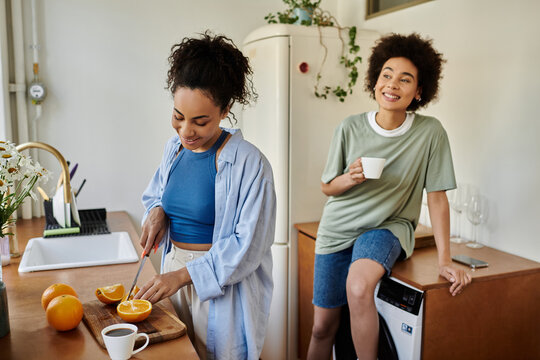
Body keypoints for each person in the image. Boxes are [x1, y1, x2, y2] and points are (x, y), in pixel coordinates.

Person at [307, 33, 472, 360]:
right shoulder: (350, 127)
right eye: (386, 75)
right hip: (338, 229)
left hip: (387, 227)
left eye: (405, 79)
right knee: (322, 328)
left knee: (358, 287)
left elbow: (437, 198)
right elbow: (328, 187)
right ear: (375, 81)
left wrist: (445, 259)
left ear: (419, 91)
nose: (392, 84)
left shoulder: (430, 132)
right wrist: (349, 178)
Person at [134, 31, 276, 360]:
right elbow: (157, 196)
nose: (186, 132)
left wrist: (185, 276)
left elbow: (248, 246)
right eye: (178, 117)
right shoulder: (174, 150)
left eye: (200, 121)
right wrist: (157, 211)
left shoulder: (250, 164)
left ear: (225, 109)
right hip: (172, 272)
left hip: (220, 283)